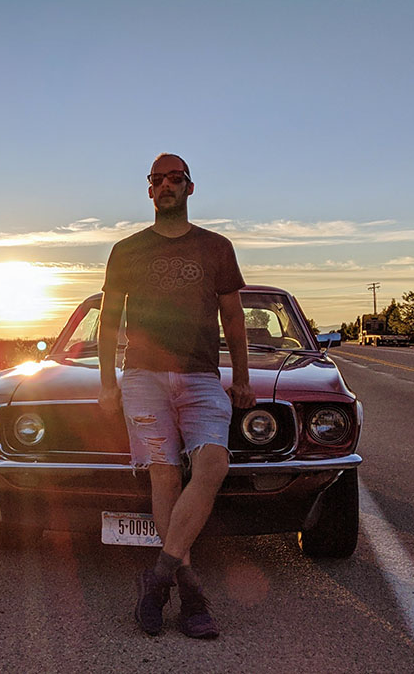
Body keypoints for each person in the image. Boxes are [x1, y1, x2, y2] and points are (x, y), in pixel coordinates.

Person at [98, 153, 255, 638]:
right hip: (143, 375)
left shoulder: (216, 247)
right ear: (149, 191)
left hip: (202, 376)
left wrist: (243, 378)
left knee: (212, 465)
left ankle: (160, 574)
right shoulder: (126, 250)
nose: (166, 185)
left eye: (175, 178)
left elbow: (233, 318)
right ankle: (191, 596)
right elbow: (108, 320)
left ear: (190, 188)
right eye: (157, 179)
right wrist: (108, 383)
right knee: (164, 477)